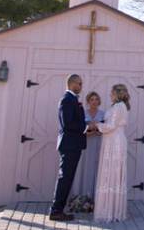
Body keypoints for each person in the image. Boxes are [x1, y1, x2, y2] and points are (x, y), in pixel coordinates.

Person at [49, 74, 91, 221]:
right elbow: (68, 124)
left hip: (73, 144)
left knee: (67, 178)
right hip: (69, 145)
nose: (81, 86)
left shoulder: (73, 100)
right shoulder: (67, 100)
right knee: (65, 178)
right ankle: (55, 211)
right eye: (80, 83)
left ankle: (58, 209)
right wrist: (86, 127)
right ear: (72, 84)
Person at [93, 83, 131, 221]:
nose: (110, 94)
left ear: (117, 93)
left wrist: (96, 125)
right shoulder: (117, 106)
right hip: (110, 140)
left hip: (115, 141)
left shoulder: (119, 106)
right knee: (109, 173)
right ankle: (108, 208)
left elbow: (111, 126)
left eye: (112, 92)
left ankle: (111, 210)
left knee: (112, 173)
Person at [72, 92, 106, 198]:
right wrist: (87, 131)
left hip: (98, 142)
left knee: (97, 167)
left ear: (99, 101)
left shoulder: (103, 114)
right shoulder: (83, 113)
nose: (94, 101)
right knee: (84, 166)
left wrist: (98, 131)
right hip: (85, 143)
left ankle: (96, 196)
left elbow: (107, 129)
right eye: (92, 99)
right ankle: (81, 195)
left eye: (96, 99)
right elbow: (78, 128)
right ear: (88, 101)